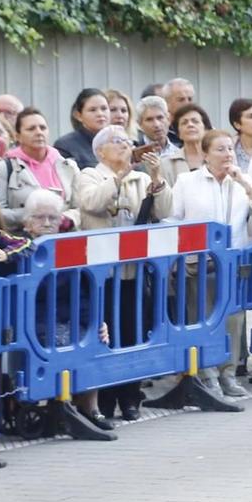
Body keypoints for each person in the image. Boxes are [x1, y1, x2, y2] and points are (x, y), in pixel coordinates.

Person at [75, 126, 172, 422]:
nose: (125, 146)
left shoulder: (140, 178)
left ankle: (131, 398)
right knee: (105, 335)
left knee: (132, 333)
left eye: (127, 142)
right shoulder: (89, 175)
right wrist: (118, 176)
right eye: (117, 142)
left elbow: (165, 208)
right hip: (100, 273)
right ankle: (103, 401)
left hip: (132, 271)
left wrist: (156, 178)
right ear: (100, 150)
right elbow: (92, 203)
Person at [168, 130, 252, 398]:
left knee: (234, 320)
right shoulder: (186, 181)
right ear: (204, 154)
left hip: (234, 261)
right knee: (202, 317)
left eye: (229, 149)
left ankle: (228, 373)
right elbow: (175, 219)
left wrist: (247, 185)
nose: (227, 155)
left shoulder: (241, 182)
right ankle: (207, 374)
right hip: (199, 263)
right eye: (219, 149)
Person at [0, 108, 79, 231]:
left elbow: (81, 208)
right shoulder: (3, 167)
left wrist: (65, 219)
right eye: (31, 129)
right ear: (18, 136)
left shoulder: (68, 166)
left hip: (62, 237)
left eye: (42, 128)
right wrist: (35, 215)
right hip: (21, 240)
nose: (38, 132)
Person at [56, 88, 110, 169]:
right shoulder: (65, 146)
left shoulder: (120, 141)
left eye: (104, 108)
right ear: (78, 115)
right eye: (92, 110)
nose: (100, 114)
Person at [160, 104, 212, 186]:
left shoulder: (218, 158)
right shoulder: (166, 164)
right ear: (178, 133)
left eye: (195, 121)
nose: (190, 125)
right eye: (184, 123)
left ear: (206, 129)